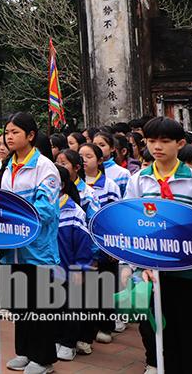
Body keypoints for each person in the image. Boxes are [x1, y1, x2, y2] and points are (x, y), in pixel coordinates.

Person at [129, 116, 192, 374]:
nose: (157, 147)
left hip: (191, 270)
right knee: (163, 334)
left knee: (191, 333)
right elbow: (130, 225)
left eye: (164, 141)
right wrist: (138, 265)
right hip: (154, 271)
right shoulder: (139, 180)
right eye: (151, 140)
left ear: (180, 144)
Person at [0, 112, 61, 374]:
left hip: (38, 249)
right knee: (20, 303)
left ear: (31, 136)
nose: (9, 137)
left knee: (39, 305)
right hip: (12, 250)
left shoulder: (45, 167)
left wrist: (13, 218)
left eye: (15, 132)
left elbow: (46, 210)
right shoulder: (4, 165)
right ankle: (24, 351)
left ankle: (43, 358)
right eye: (7, 132)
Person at [78, 141, 122, 343]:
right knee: (86, 288)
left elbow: (115, 216)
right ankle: (88, 327)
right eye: (81, 156)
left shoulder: (109, 185)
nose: (84, 160)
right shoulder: (76, 184)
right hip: (83, 243)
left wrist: (113, 246)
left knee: (104, 285)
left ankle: (106, 326)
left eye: (89, 156)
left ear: (99, 160)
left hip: (104, 243)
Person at [54, 164, 96, 363]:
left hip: (70, 270)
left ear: (61, 185)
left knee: (71, 307)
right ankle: (56, 338)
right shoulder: (43, 207)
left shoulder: (74, 211)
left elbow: (83, 245)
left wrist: (80, 268)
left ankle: (68, 343)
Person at [93, 131, 130, 196]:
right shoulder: (88, 171)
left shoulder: (123, 173)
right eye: (94, 145)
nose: (97, 148)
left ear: (112, 148)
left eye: (102, 145)